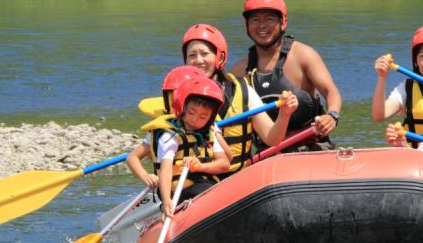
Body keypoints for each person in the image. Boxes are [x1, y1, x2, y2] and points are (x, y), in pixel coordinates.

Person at [228, 0, 341, 151]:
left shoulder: (303, 55)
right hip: (268, 155)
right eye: (255, 20)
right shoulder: (239, 71)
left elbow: (332, 92)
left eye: (269, 19)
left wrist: (331, 116)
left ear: (283, 22)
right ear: (247, 25)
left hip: (312, 149)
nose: (262, 26)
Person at [182, 23, 298, 175]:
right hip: (195, 179)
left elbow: (272, 138)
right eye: (192, 55)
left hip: (235, 178)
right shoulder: (179, 95)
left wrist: (284, 114)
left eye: (204, 54)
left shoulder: (243, 91)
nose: (198, 60)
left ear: (220, 56)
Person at [152, 76, 231, 217]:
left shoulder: (210, 134)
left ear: (211, 118)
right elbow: (165, 171)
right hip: (178, 190)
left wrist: (201, 167)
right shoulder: (170, 136)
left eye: (203, 117)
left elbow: (225, 164)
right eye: (191, 113)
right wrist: (166, 200)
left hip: (203, 184)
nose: (195, 120)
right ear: (182, 108)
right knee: (208, 193)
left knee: (218, 192)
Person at [126, 65, 211, 189]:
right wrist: (146, 176)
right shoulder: (164, 131)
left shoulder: (208, 127)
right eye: (173, 100)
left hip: (203, 182)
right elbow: (132, 158)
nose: (176, 105)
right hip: (175, 189)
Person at [372, 24, 423, 147]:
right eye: (422, 56)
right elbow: (379, 115)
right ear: (415, 61)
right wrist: (382, 77)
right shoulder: (407, 88)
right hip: (416, 160)